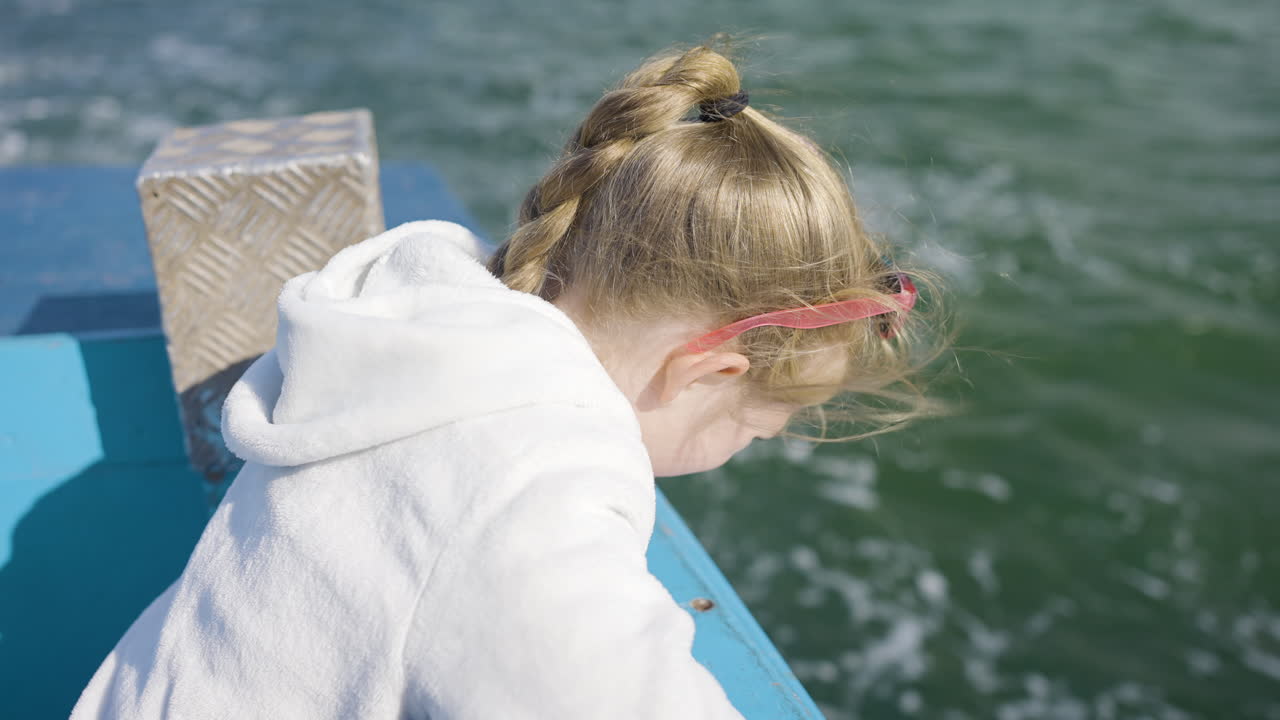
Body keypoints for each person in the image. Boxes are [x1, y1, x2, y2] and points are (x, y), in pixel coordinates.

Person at [70, 38, 941, 719]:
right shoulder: (527, 483)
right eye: (755, 428)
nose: (758, 443)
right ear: (706, 370)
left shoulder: (420, 341)